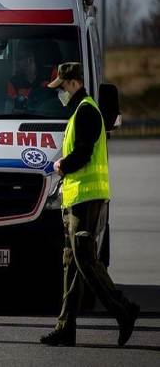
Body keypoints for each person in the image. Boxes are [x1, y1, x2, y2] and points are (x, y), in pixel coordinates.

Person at [40, 62, 139, 347]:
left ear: (73, 83)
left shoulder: (85, 111)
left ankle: (124, 310)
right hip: (77, 198)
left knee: (85, 260)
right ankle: (65, 327)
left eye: (61, 87)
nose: (59, 93)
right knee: (71, 264)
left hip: (87, 198)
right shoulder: (79, 112)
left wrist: (61, 165)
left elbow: (83, 153)